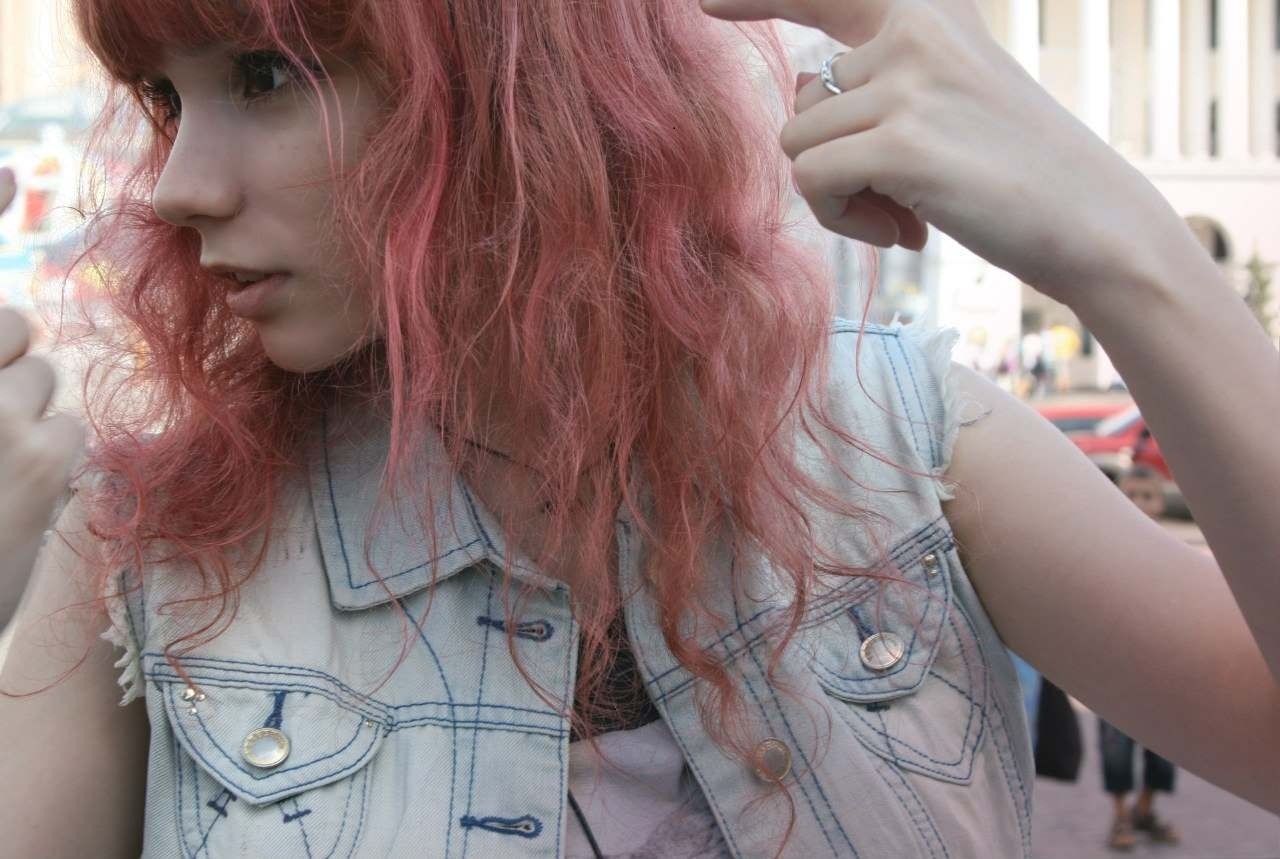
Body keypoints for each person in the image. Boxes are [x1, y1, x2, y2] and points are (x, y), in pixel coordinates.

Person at [0, 1, 1276, 856]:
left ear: (520, 84)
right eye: (164, 96)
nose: (177, 185)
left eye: (266, 74)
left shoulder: (897, 441)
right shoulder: (146, 545)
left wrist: (1126, 252)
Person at [1100, 464, 1179, 850]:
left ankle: (1144, 810)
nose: (1138, 503)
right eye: (1130, 495)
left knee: (1166, 748)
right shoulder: (1107, 551)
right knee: (1117, 749)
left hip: (1163, 670)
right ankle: (1120, 816)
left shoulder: (1173, 554)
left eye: (1146, 496)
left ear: (1161, 503)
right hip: (1116, 669)